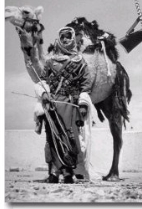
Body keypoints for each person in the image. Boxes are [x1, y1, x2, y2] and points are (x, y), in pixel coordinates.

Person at [35, 27, 93, 184]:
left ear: (73, 39)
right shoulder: (50, 61)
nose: (66, 39)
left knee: (70, 137)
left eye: (69, 36)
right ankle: (54, 172)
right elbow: (43, 80)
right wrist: (45, 94)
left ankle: (71, 173)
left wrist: (82, 104)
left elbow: (86, 83)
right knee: (53, 137)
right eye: (63, 37)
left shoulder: (79, 61)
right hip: (52, 105)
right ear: (59, 39)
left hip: (70, 105)